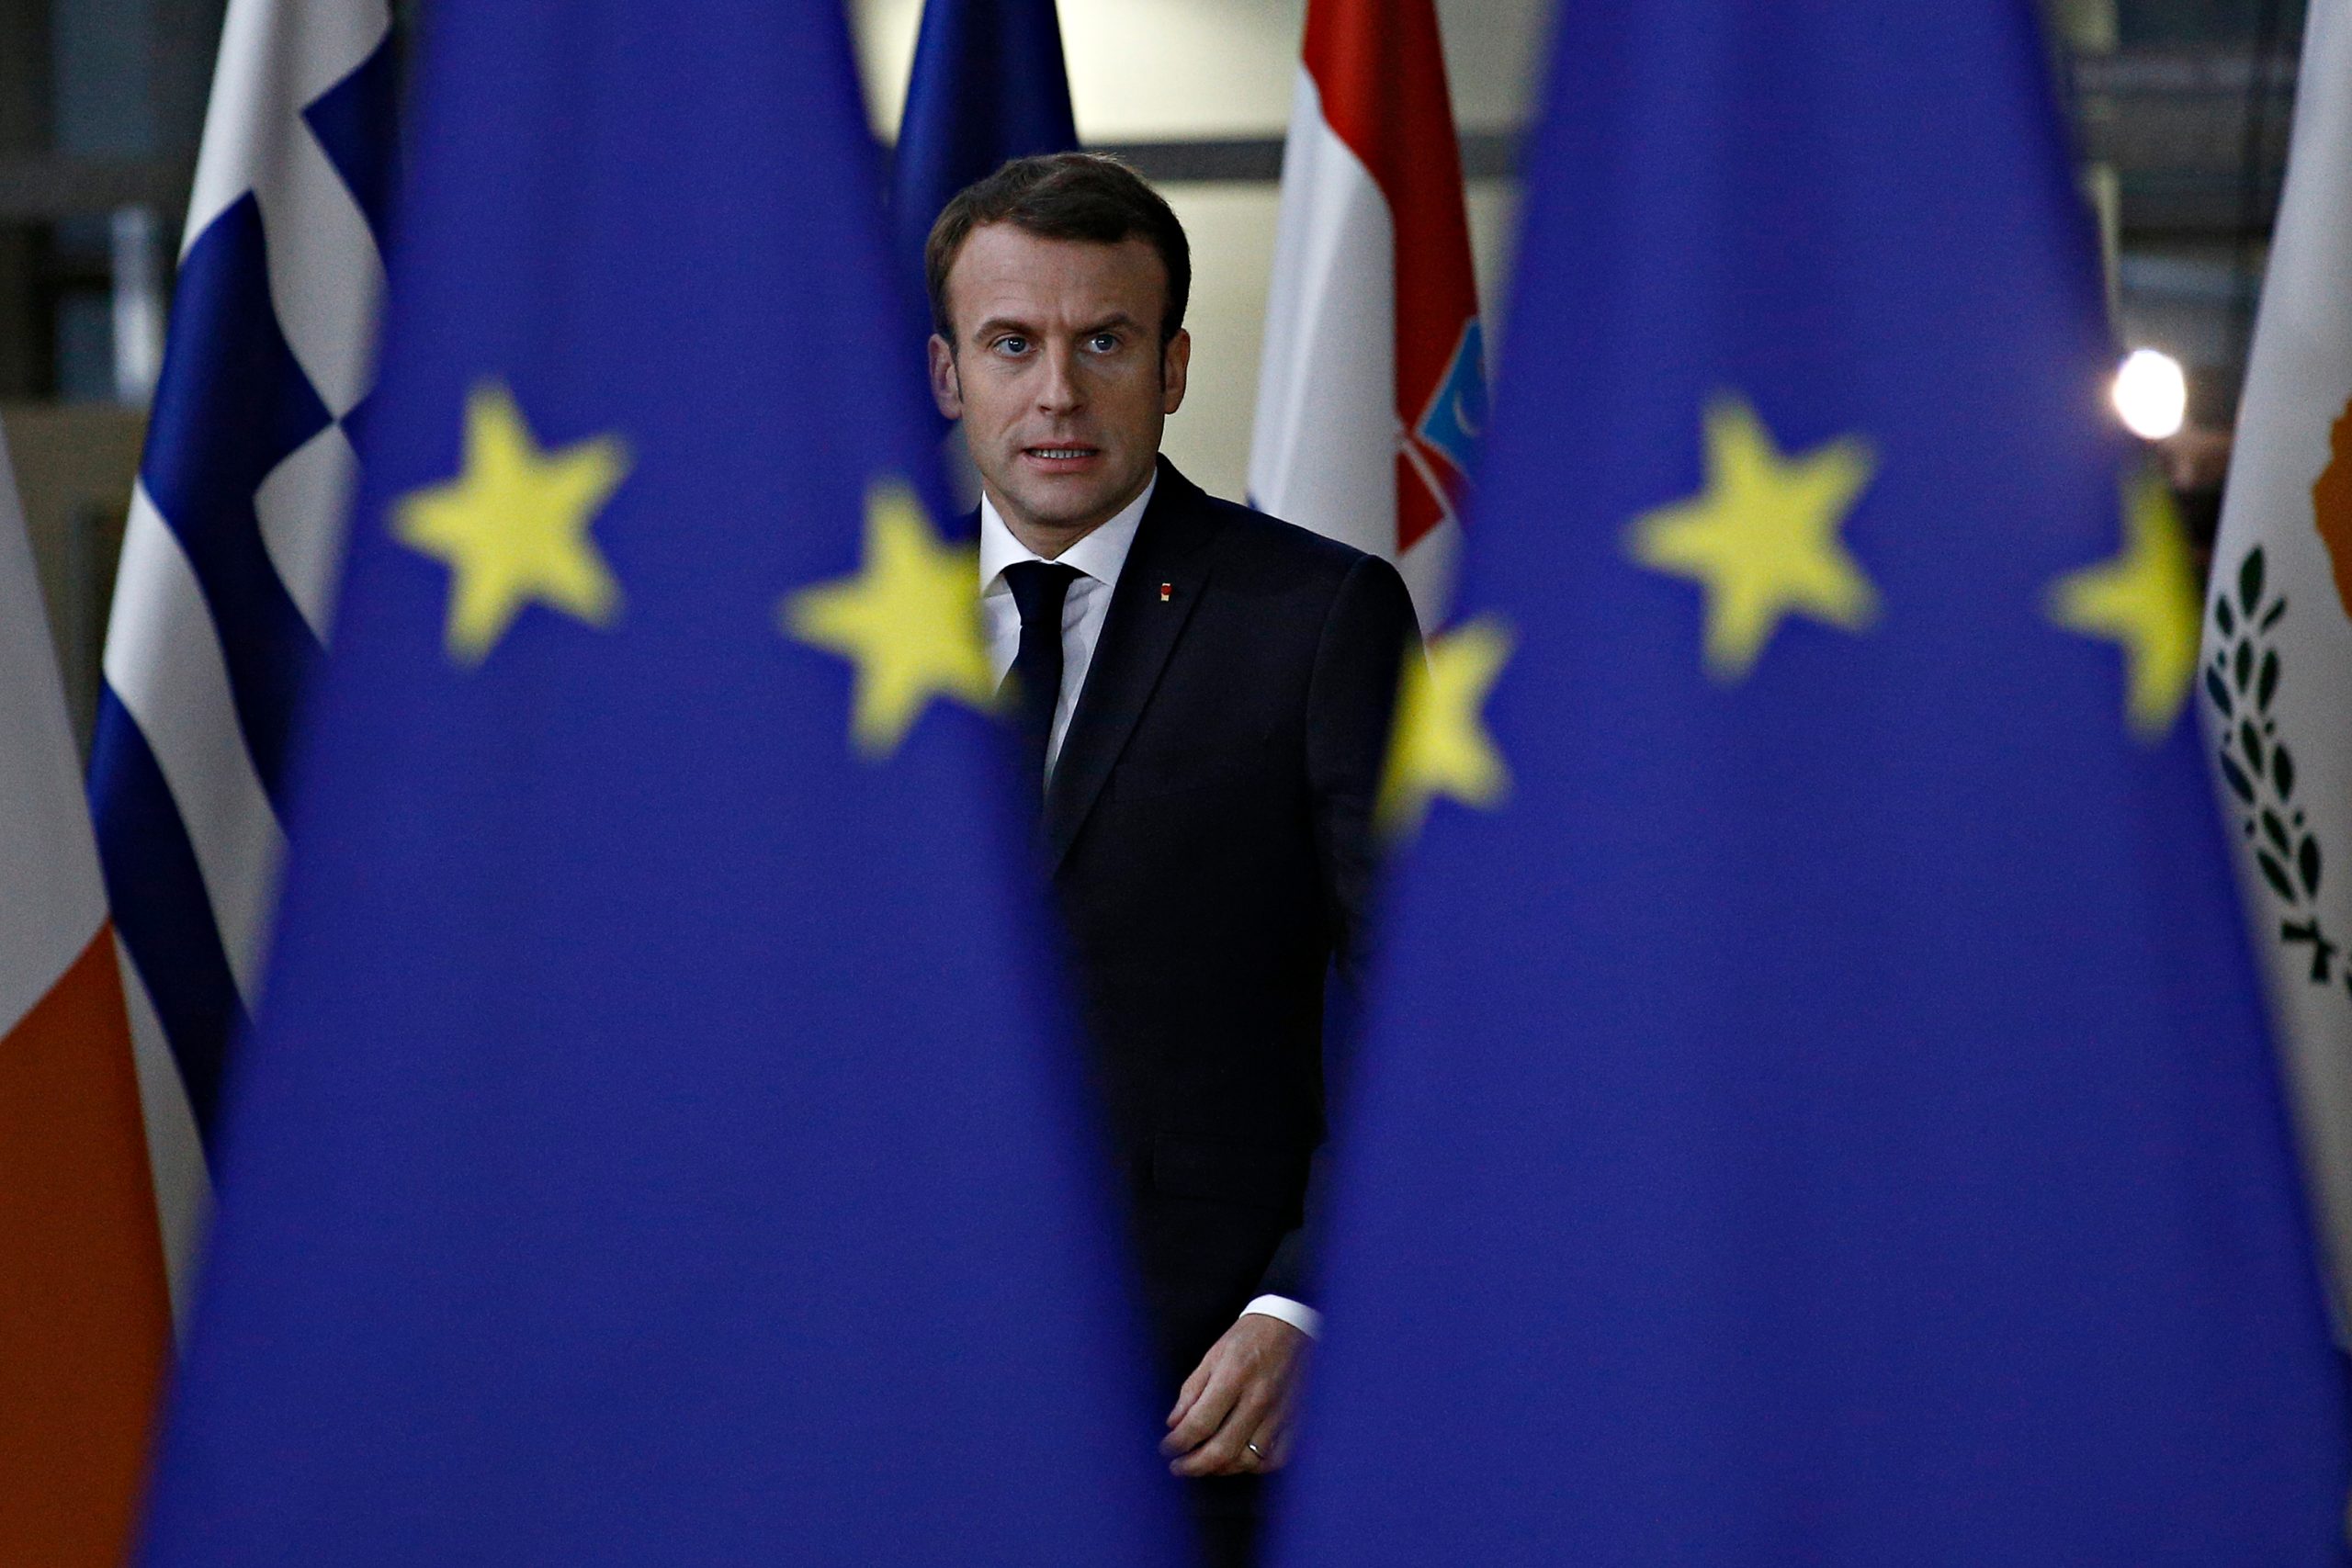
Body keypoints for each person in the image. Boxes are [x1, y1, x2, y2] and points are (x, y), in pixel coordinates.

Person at [925, 152, 1419, 1568]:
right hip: (886, 1386)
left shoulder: (1315, 618)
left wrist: (1306, 1306)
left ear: (1177, 364)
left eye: (1106, 342)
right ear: (951, 373)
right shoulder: (831, 632)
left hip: (1195, 1401)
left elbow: (1429, 1008)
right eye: (1013, 345)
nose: (1059, 393)